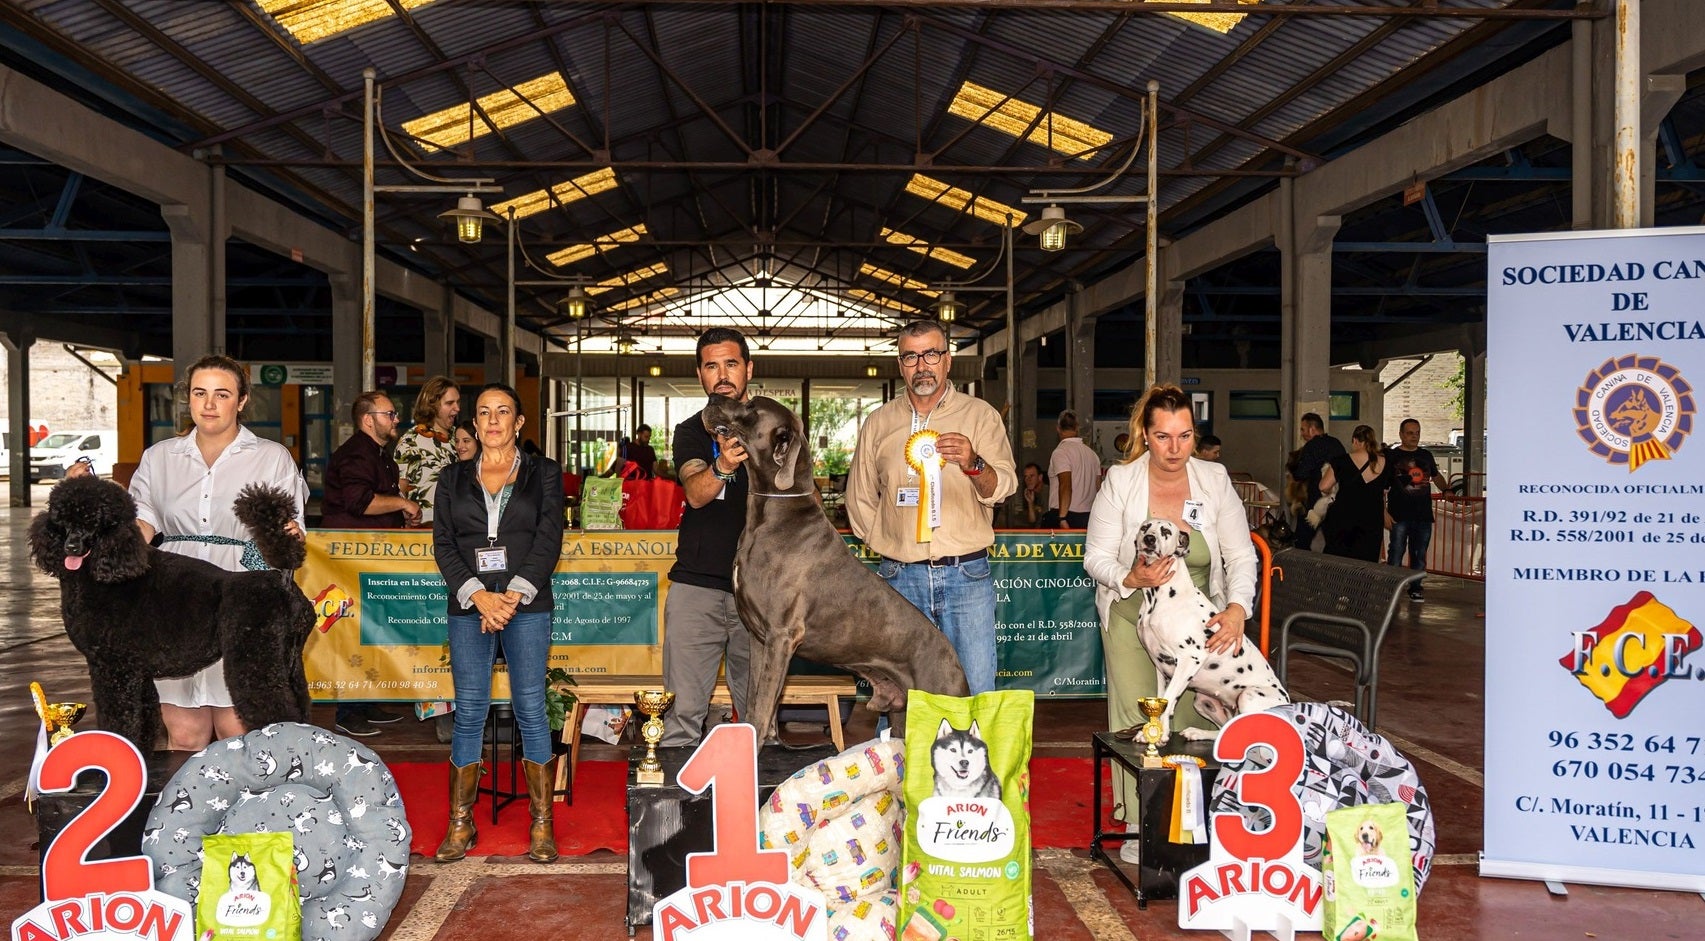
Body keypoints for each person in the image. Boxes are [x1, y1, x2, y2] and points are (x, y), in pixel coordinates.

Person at [1082, 384, 1256, 860]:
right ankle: (1143, 827)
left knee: (1190, 718)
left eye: (1184, 436)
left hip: (1200, 619)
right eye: (1163, 437)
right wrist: (1128, 575)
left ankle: (1191, 825)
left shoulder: (1215, 479)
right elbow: (1094, 556)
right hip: (1132, 610)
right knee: (1141, 718)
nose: (1175, 449)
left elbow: (1241, 555)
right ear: (1145, 433)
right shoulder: (1121, 481)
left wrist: (1239, 607)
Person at [109, 354, 309, 751]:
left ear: (242, 400)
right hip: (174, 600)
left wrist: (285, 536)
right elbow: (142, 524)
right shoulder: (159, 457)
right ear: (188, 399)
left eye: (222, 394)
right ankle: (185, 813)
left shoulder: (271, 457)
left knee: (238, 730)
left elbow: (291, 531)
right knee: (184, 735)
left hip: (241, 596)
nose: (209, 404)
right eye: (200, 393)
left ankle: (247, 813)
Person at [431, 383, 565, 864]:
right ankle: (460, 823)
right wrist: (479, 596)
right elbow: (443, 544)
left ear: (519, 422)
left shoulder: (544, 473)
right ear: (473, 422)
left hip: (525, 603)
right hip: (470, 603)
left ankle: (542, 824)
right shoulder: (451, 478)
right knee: (469, 709)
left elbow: (549, 537)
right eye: (483, 412)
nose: (492, 421)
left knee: (531, 707)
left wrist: (510, 596)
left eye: (502, 411)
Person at [846, 320, 1016, 695]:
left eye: (931, 354)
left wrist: (974, 463)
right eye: (911, 356)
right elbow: (858, 498)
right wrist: (890, 545)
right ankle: (897, 756)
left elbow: (1002, 488)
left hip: (966, 575)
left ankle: (975, 755)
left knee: (975, 689)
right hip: (899, 579)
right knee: (899, 694)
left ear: (948, 360)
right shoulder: (878, 422)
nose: (922, 365)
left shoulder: (981, 416)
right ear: (900, 364)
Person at [662, 327, 755, 746]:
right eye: (711, 365)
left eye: (731, 364)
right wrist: (723, 466)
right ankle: (675, 811)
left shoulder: (774, 426)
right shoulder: (689, 432)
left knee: (758, 716)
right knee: (680, 718)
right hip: (696, 587)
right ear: (700, 374)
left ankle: (763, 810)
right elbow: (696, 495)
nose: (722, 375)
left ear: (748, 369)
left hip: (759, 589)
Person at [321, 391, 418, 735]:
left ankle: (363, 701)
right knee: (351, 630)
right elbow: (360, 502)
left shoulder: (377, 453)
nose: (395, 420)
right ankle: (347, 711)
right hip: (350, 558)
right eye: (390, 414)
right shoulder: (357, 454)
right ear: (368, 419)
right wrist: (402, 504)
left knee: (369, 630)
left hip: (369, 556)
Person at [1385, 419, 1450, 602]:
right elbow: (1382, 485)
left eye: (1417, 432)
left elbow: (1436, 477)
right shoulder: (1391, 456)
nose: (1414, 436)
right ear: (1401, 434)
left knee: (1419, 553)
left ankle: (1415, 588)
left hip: (1423, 515)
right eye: (1410, 433)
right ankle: (1391, 588)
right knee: (1396, 552)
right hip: (1398, 514)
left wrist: (1446, 489)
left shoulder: (1426, 455)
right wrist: (1384, 512)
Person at [1316, 424, 1391, 562]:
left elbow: (1323, 486)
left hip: (1344, 516)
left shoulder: (1341, 460)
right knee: (1367, 559)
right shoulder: (1385, 462)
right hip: (1372, 518)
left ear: (1355, 441)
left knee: (1339, 559)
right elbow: (1383, 490)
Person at [395, 376, 461, 525]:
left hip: (459, 530)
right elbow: (399, 491)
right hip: (424, 532)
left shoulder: (459, 437)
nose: (457, 408)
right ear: (432, 404)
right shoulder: (412, 440)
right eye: (450, 403)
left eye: (458, 402)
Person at [1289, 412, 1344, 550]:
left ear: (1312, 429)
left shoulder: (1311, 446)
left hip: (1314, 504)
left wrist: (1294, 470)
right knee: (1334, 544)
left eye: (1303, 429)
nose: (1302, 433)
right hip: (1335, 502)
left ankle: (1303, 570)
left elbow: (1301, 473)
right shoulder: (1336, 444)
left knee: (1301, 541)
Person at [1041, 409, 1100, 530]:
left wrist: (1062, 518)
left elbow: (1065, 485)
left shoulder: (1061, 453)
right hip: (1088, 517)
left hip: (1065, 515)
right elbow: (1099, 489)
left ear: (1058, 428)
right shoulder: (1093, 455)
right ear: (1077, 427)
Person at [1012, 462, 1046, 527]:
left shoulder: (1047, 493)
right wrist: (1030, 503)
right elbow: (1032, 521)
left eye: (1032, 476)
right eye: (1026, 476)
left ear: (1040, 477)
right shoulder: (1028, 493)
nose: (1028, 479)